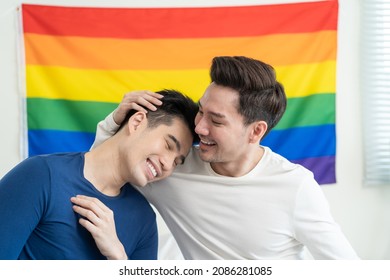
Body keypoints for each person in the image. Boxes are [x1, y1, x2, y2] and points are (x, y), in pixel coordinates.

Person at [92, 56, 359, 260]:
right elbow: (103, 166)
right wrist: (114, 120)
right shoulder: (172, 166)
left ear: (255, 131)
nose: (199, 128)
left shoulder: (294, 187)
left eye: (216, 120)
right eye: (201, 111)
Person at [0, 89, 198, 260]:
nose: (167, 164)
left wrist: (117, 257)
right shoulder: (42, 175)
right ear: (137, 122)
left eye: (176, 162)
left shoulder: (144, 220)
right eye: (168, 145)